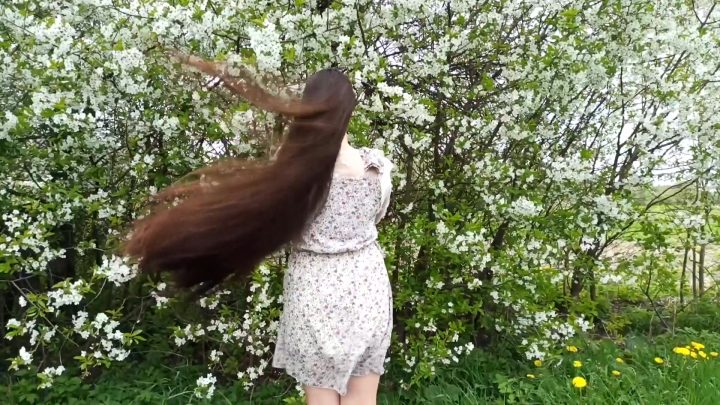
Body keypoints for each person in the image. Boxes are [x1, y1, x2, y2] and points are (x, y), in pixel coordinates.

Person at [123, 52, 394, 405]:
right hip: (366, 286)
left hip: (315, 290)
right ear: (350, 111)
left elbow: (278, 224)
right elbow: (374, 216)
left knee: (321, 401)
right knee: (363, 399)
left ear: (308, 108)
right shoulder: (378, 168)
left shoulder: (293, 173)